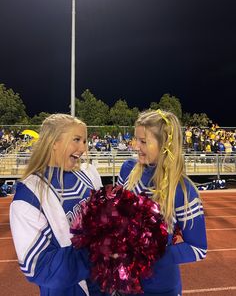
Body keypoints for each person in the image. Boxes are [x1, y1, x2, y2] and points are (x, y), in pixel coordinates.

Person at [10, 114, 103, 296]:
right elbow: (38, 266)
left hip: (103, 287)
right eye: (76, 140)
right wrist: (99, 252)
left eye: (84, 141)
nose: (83, 148)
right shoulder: (29, 195)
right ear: (53, 142)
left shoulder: (89, 175)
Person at [117, 109, 207, 296]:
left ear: (165, 145)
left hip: (160, 288)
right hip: (123, 283)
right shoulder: (128, 170)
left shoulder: (182, 190)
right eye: (136, 139)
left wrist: (152, 256)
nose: (135, 146)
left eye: (143, 141)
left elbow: (198, 248)